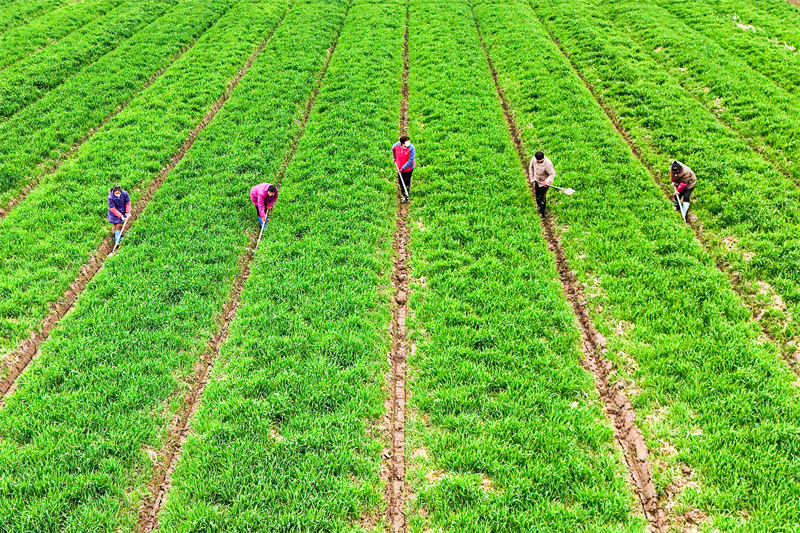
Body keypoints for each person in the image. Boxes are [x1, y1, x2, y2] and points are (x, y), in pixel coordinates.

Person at [528, 150, 555, 215]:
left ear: (543, 158)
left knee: (542, 196)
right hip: (537, 180)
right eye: (537, 161)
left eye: (540, 162)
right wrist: (531, 177)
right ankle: (539, 207)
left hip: (544, 183)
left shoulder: (548, 164)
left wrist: (547, 181)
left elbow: (552, 174)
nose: (538, 163)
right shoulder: (533, 159)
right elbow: (531, 167)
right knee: (537, 195)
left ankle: (542, 213)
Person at [392, 135, 415, 203]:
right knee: (401, 182)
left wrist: (403, 168)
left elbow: (410, 160)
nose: (409, 143)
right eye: (407, 141)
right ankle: (402, 192)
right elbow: (393, 149)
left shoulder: (411, 148)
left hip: (408, 168)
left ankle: (406, 194)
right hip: (399, 167)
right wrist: (394, 157)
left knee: (406, 181)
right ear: (402, 143)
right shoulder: (396, 145)